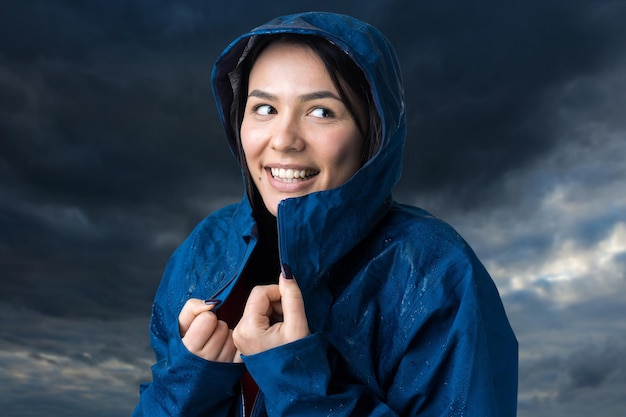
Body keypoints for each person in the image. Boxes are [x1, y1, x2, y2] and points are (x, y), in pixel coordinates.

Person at [133, 11, 518, 417]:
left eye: (321, 112)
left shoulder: (435, 272)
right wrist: (189, 381)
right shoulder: (203, 252)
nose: (284, 140)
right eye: (264, 108)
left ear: (374, 131)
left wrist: (301, 385)